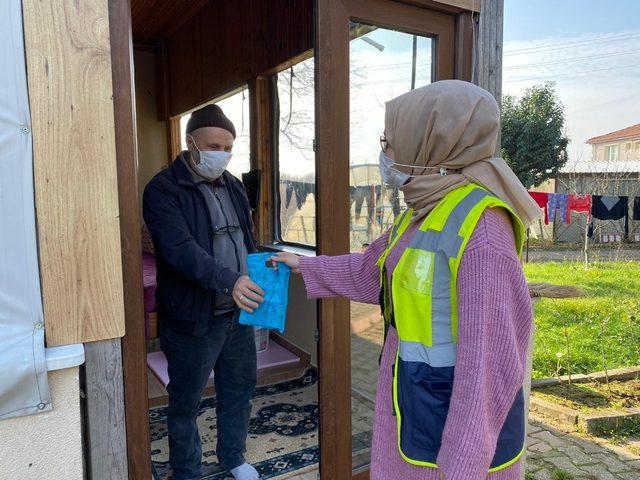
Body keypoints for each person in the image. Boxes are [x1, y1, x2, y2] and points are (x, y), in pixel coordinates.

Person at [273, 80, 540, 479]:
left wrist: (462, 470)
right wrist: (303, 265)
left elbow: (489, 370)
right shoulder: (423, 210)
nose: (384, 153)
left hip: (456, 440)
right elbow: (372, 272)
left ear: (429, 141)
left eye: (389, 140)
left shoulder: (483, 229)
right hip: (419, 405)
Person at [144, 104, 264, 480]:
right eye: (214, 145)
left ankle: (233, 457)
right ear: (191, 143)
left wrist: (261, 265)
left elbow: (246, 238)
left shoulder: (233, 185)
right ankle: (186, 470)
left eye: (228, 147)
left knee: (239, 390)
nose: (222, 155)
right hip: (192, 317)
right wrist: (231, 279)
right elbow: (179, 250)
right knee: (185, 400)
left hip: (239, 313)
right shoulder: (163, 189)